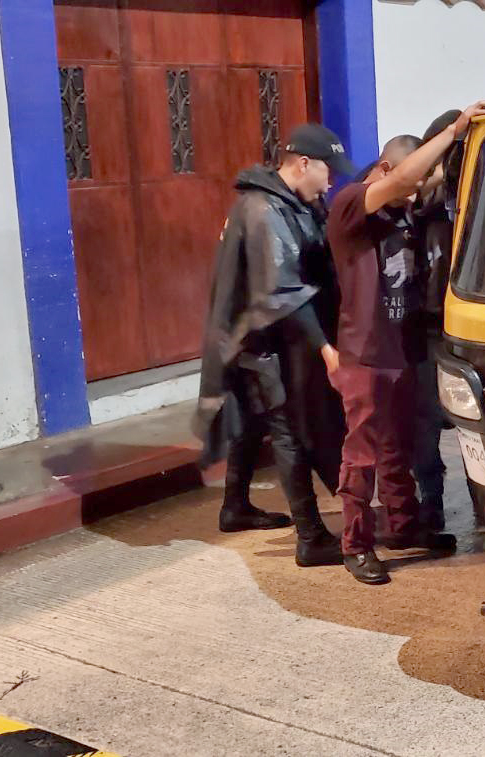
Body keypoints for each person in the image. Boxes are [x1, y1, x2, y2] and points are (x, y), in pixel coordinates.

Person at [327, 101, 485, 585]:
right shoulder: (352, 203)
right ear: (384, 168)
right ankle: (355, 545)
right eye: (407, 181)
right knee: (361, 453)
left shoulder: (405, 212)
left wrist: (467, 139)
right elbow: (403, 180)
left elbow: (429, 183)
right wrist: (452, 130)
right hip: (365, 352)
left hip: (402, 348)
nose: (415, 191)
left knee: (398, 447)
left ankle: (403, 527)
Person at [194, 123, 355, 569]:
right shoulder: (263, 209)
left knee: (250, 423)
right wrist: (326, 348)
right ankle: (311, 536)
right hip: (257, 337)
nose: (331, 182)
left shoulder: (284, 201)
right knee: (288, 429)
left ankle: (235, 507)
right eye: (328, 172)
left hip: (253, 334)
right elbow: (281, 291)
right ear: (303, 164)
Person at [410, 109, 463, 533]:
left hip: (471, 328)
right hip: (428, 326)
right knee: (425, 419)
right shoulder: (419, 210)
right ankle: (432, 498)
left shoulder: (484, 205)